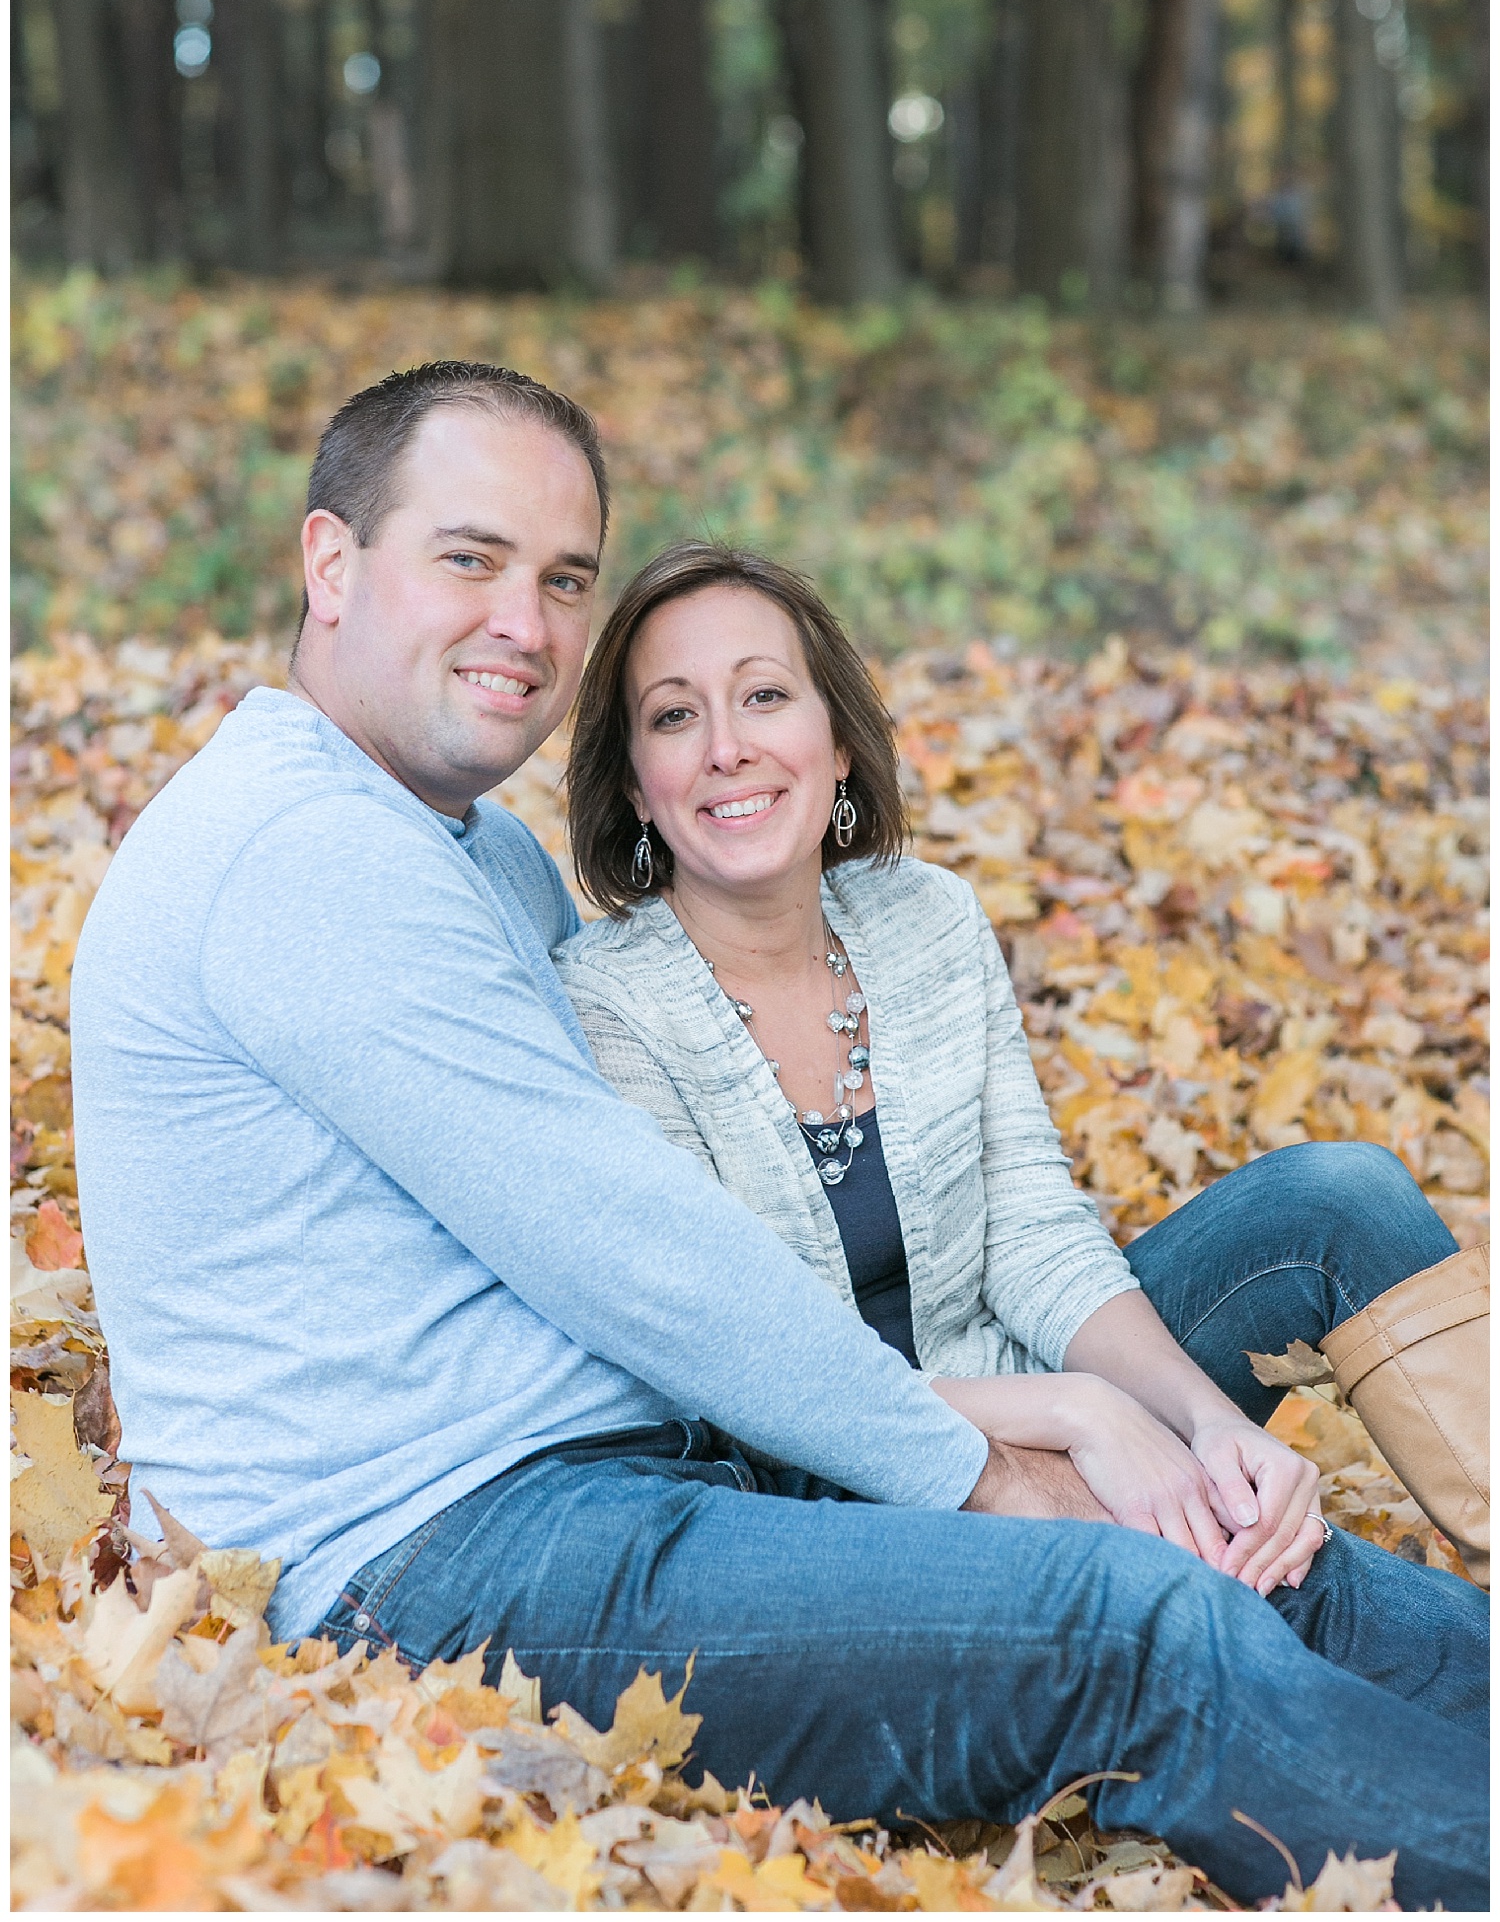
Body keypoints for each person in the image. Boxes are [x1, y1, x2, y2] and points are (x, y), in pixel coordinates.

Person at [69, 363, 1487, 1913]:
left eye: (559, 580)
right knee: (1136, 1615)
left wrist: (1096, 1424)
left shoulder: (468, 856)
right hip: (433, 1559)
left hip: (632, 1480)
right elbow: (643, 1258)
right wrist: (991, 1471)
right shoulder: (303, 857)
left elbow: (986, 1217)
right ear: (330, 565)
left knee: (1268, 1545)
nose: (526, 628)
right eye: (468, 559)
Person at [556, 541, 1489, 1595]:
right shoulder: (604, 1003)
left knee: (1341, 1199)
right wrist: (1078, 1413)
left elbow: (1035, 1233)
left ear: (839, 741)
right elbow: (751, 1373)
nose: (728, 746)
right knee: (1307, 1585)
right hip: (820, 1508)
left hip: (1015, 1383)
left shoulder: (930, 919)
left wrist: (1208, 1423)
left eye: (765, 695)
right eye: (676, 715)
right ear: (636, 785)